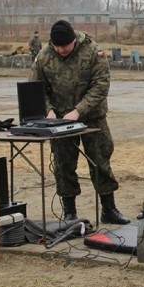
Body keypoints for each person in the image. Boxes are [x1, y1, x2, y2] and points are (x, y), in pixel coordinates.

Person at [31, 20, 129, 225]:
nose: (60, 50)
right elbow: (36, 88)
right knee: (63, 165)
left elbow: (101, 86)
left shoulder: (93, 52)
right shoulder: (44, 56)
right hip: (59, 122)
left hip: (92, 118)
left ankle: (109, 209)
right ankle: (69, 213)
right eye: (57, 46)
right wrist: (47, 110)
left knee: (100, 161)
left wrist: (78, 111)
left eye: (64, 46)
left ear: (74, 40)